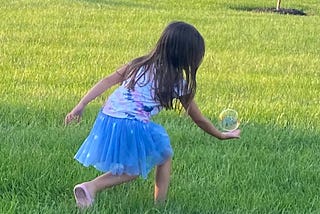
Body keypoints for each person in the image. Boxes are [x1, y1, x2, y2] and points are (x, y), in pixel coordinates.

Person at [65, 21, 241, 208]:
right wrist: (221, 135)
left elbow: (107, 80)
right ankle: (91, 187)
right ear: (186, 57)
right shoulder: (176, 82)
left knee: (162, 154)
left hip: (108, 118)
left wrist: (81, 105)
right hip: (131, 123)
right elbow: (198, 118)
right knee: (135, 168)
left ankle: (159, 205)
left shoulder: (138, 64)